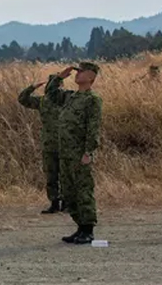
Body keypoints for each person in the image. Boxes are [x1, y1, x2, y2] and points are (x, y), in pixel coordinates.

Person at [44, 62, 102, 244]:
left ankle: (88, 229)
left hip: (79, 153)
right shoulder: (70, 97)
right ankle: (79, 227)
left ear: (91, 77)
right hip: (65, 153)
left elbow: (93, 128)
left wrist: (88, 151)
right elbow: (50, 94)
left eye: (82, 72)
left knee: (83, 190)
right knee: (69, 193)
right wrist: (60, 77)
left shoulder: (92, 99)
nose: (78, 75)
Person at [18, 74, 65, 214]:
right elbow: (22, 99)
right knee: (51, 175)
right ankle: (54, 203)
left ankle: (67, 203)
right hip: (49, 143)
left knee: (66, 176)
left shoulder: (67, 100)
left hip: (66, 143)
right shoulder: (43, 101)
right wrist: (32, 87)